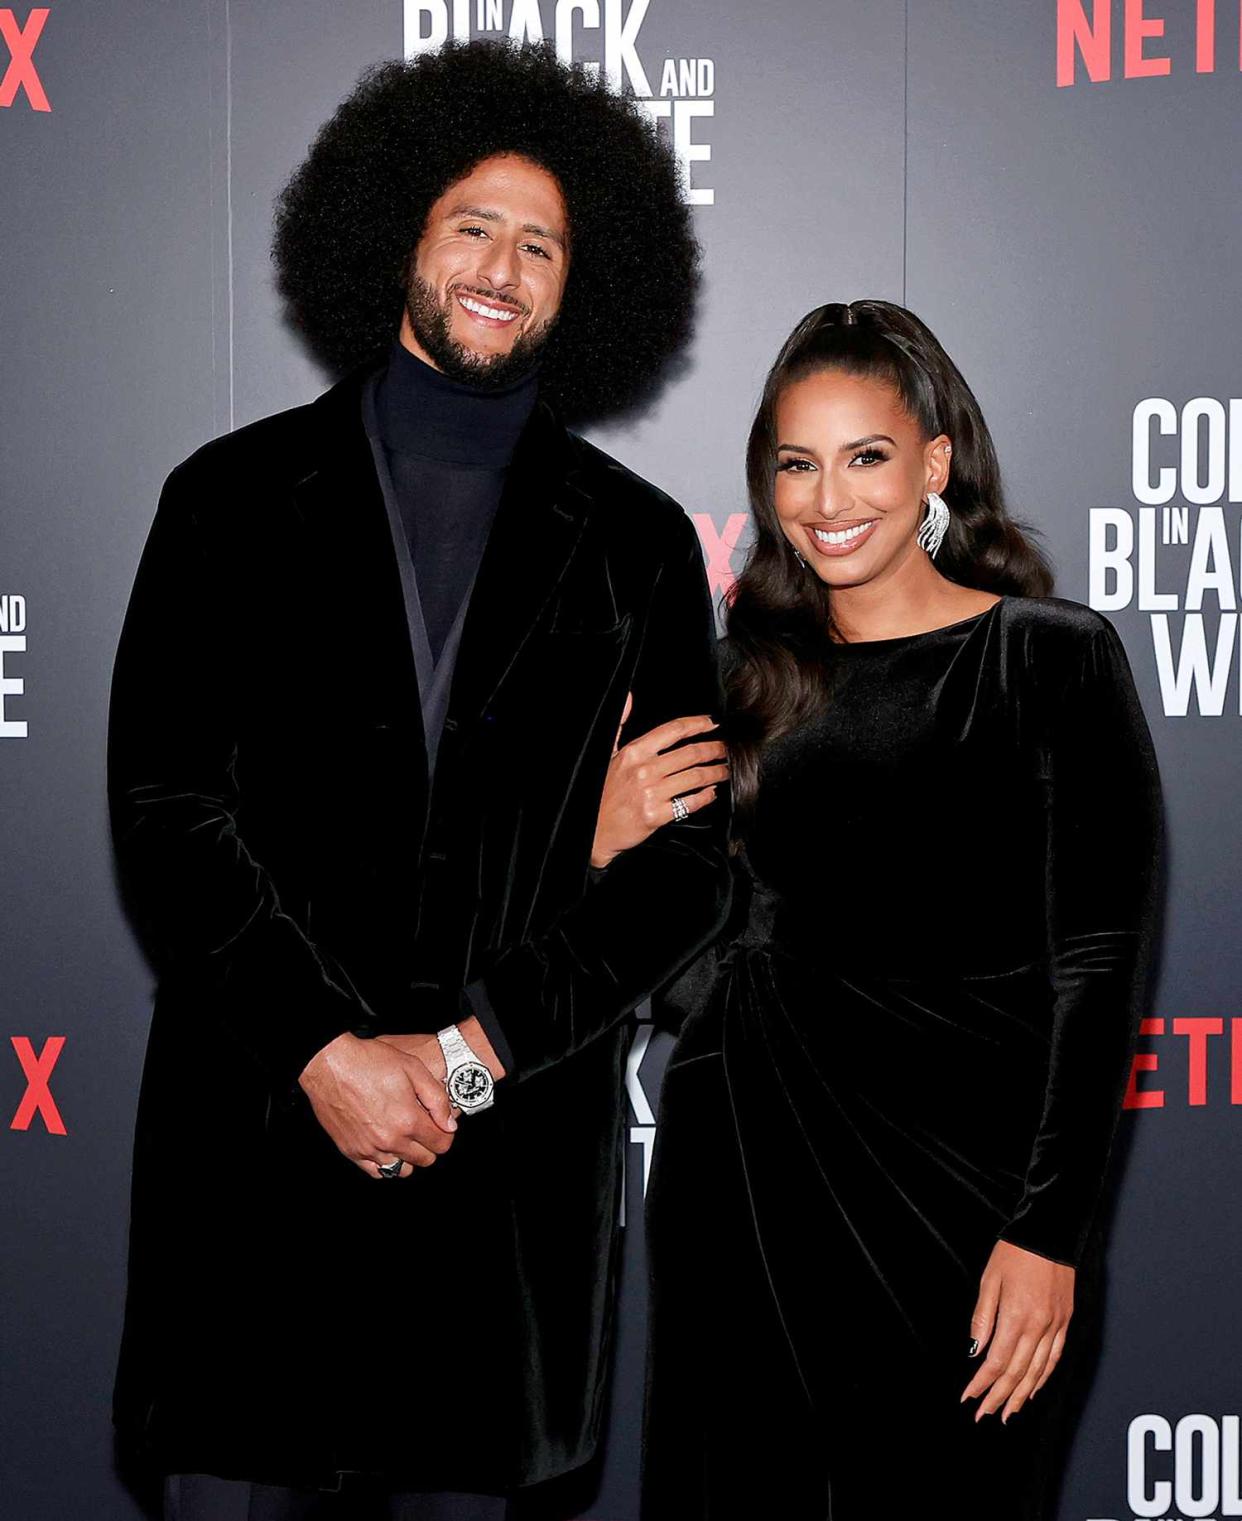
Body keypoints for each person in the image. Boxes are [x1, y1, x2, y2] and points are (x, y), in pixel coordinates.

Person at [107, 40, 731, 1521]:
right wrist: (325, 1052)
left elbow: (684, 871)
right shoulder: (226, 500)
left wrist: (460, 1058)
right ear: (396, 233)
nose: (502, 266)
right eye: (472, 224)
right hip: (255, 1192)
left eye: (542, 243)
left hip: (494, 1236)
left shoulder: (636, 543)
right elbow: (169, 816)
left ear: (588, 285)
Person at [594, 300, 1162, 1519]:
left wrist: (1049, 1232)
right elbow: (655, 926)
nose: (827, 498)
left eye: (866, 457)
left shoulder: (1047, 659)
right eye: (796, 464)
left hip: (971, 1205)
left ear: (934, 466)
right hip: (747, 1171)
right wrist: (599, 842)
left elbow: (1098, 967)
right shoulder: (738, 679)